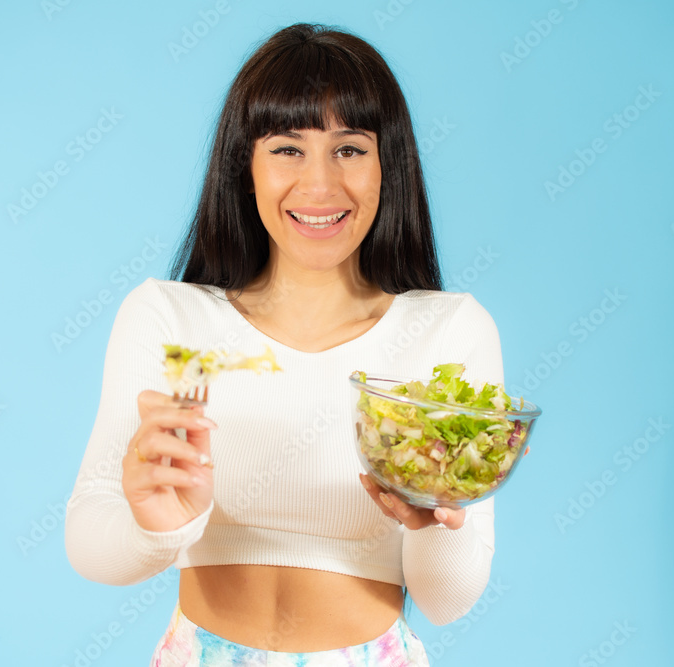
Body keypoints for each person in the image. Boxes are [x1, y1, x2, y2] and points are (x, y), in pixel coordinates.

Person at [65, 22, 501, 666]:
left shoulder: (446, 331)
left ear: (390, 167)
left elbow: (447, 600)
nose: (320, 186)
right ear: (246, 166)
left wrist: (431, 520)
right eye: (287, 149)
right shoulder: (170, 319)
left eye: (350, 149)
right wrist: (159, 524)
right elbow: (91, 546)